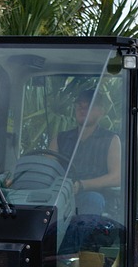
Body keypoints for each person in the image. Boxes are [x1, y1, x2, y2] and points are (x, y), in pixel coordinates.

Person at [51, 87, 121, 215]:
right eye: (79, 105)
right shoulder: (60, 139)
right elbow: (47, 170)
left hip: (96, 202)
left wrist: (82, 185)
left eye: (88, 106)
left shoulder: (111, 139)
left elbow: (116, 177)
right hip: (60, 198)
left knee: (93, 199)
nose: (82, 109)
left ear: (101, 112)